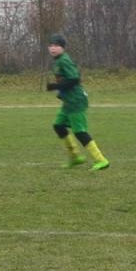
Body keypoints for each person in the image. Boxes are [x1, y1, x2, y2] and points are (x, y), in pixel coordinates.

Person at [46, 34, 109, 171]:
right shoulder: (57, 62)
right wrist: (60, 92)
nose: (53, 48)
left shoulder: (64, 60)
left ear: (62, 48)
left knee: (80, 132)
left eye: (56, 45)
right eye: (50, 45)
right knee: (58, 126)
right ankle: (75, 157)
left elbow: (74, 79)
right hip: (68, 102)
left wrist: (55, 87)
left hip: (76, 101)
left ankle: (101, 160)